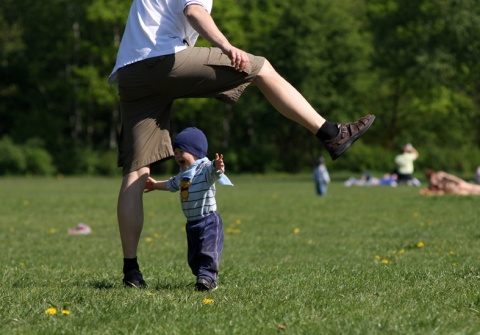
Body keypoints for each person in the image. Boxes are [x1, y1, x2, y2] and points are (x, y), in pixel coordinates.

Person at [109, 0, 376, 287]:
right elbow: (193, 11)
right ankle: (331, 134)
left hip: (130, 71)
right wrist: (226, 46)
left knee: (136, 172)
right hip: (164, 60)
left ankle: (131, 272)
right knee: (260, 67)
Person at [143, 127, 230, 290]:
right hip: (192, 223)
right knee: (194, 257)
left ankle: (208, 278)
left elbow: (214, 172)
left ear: (195, 152)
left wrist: (218, 167)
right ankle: (202, 277)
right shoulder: (183, 174)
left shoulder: (204, 169)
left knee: (208, 251)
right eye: (175, 152)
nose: (177, 155)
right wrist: (155, 185)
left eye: (181, 151)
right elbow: (171, 184)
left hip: (209, 221)